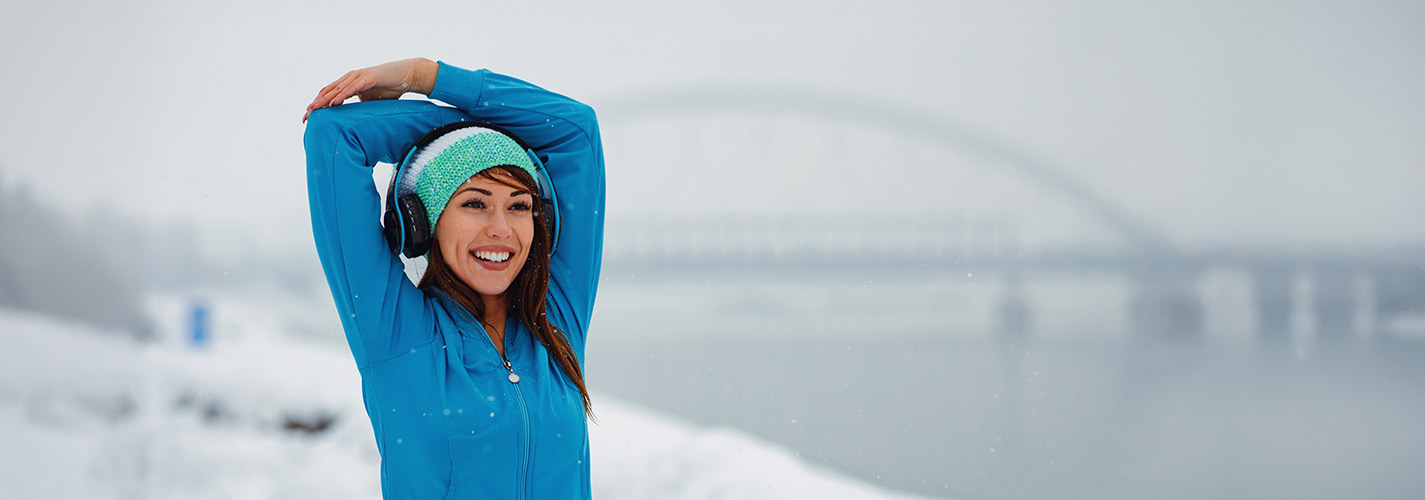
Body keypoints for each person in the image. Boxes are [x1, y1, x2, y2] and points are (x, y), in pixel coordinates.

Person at [302, 58, 604, 499]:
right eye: (474, 203)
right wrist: (450, 125)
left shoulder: (556, 318)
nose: (501, 229)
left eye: (519, 206)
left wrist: (426, 76)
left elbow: (577, 130)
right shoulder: (396, 333)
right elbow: (333, 135)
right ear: (424, 221)